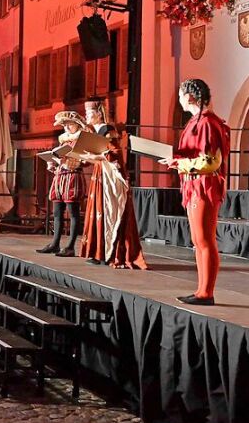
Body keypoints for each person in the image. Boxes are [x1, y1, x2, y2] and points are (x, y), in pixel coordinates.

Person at [162, 79, 230, 305]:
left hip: (204, 184)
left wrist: (180, 164)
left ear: (190, 97)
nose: (180, 99)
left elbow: (211, 161)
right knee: (197, 239)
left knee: (204, 239)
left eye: (181, 95)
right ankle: (202, 290)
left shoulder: (208, 123)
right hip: (194, 183)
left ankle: (206, 292)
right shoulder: (196, 121)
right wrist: (177, 160)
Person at [79, 98, 147, 270]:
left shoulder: (107, 130)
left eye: (88, 113)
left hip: (110, 176)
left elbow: (114, 153)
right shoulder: (94, 130)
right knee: (97, 211)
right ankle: (98, 252)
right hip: (100, 173)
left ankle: (108, 253)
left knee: (108, 212)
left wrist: (93, 157)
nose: (86, 116)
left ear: (97, 114)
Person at [37, 110, 88, 258]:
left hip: (73, 176)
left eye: (68, 125)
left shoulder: (82, 139)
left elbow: (85, 160)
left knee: (73, 213)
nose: (66, 128)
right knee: (57, 212)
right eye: (64, 125)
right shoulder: (63, 139)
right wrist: (52, 163)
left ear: (76, 124)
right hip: (60, 176)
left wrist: (71, 161)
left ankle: (71, 246)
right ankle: (55, 243)